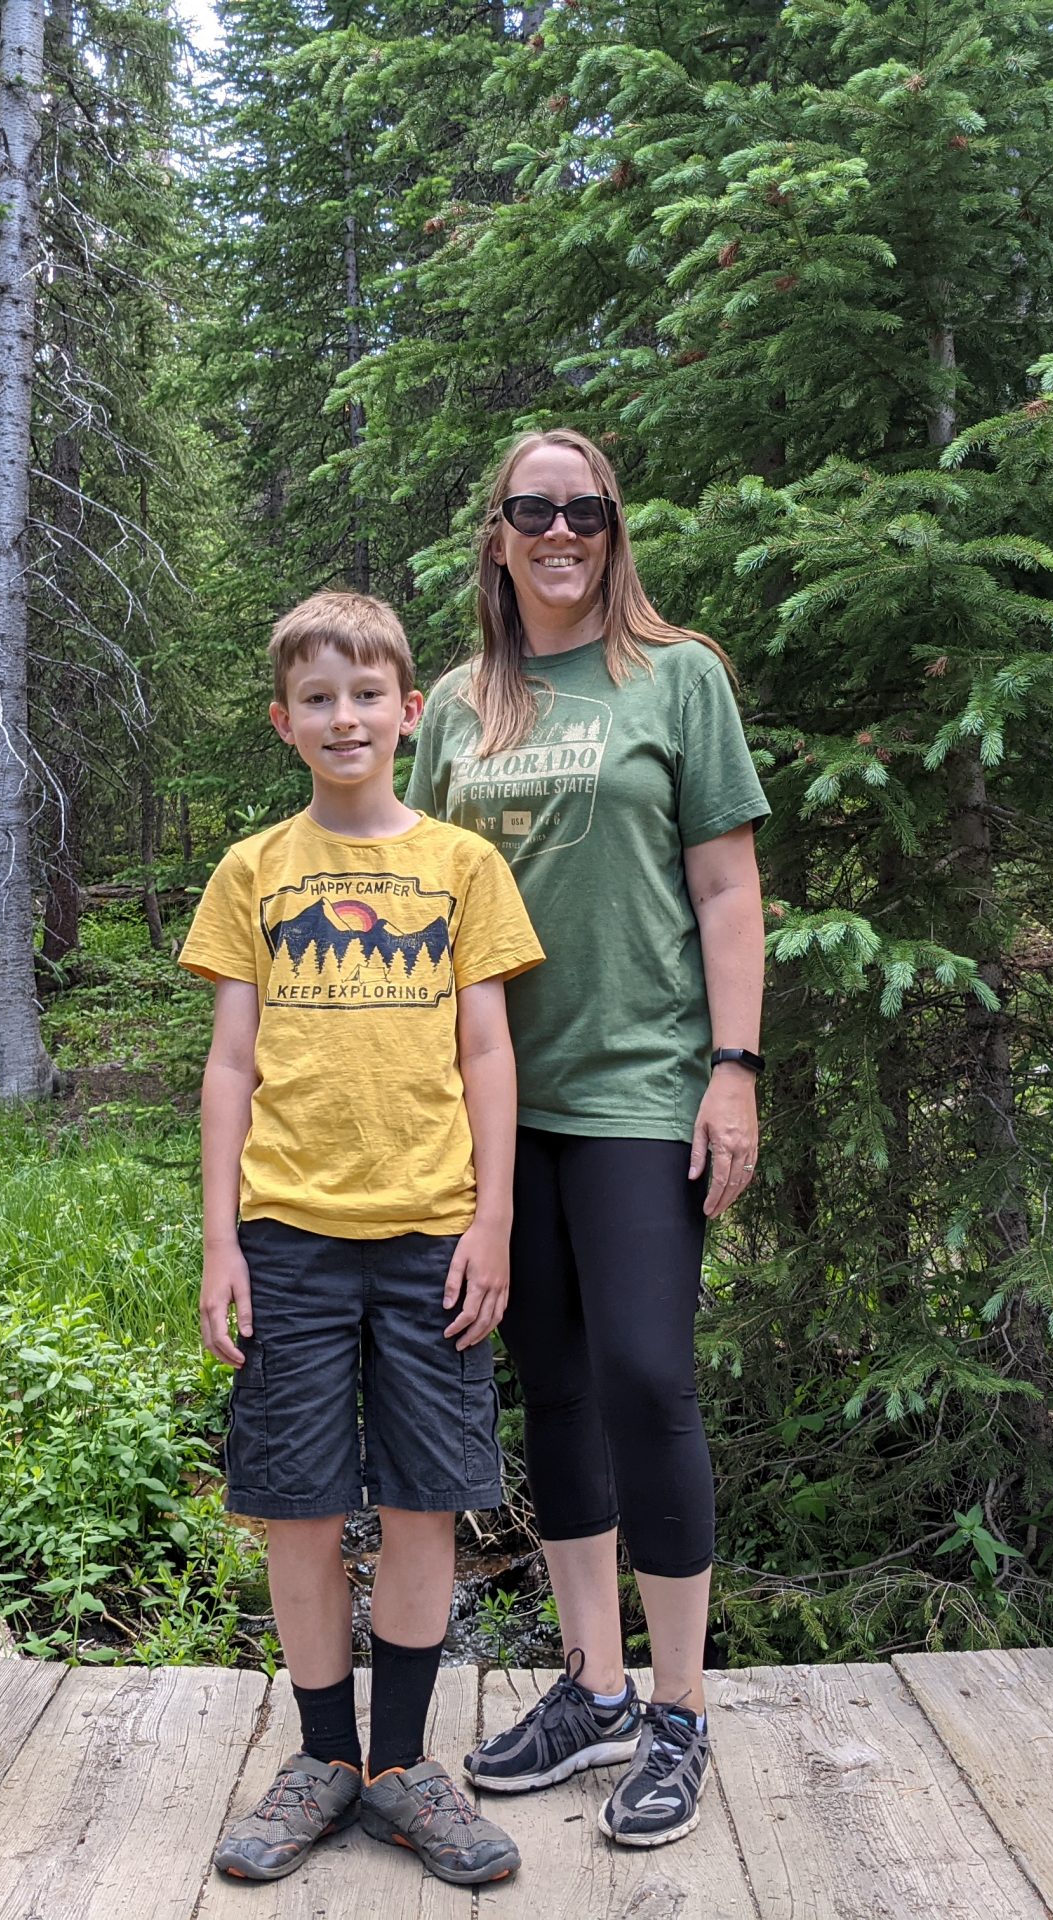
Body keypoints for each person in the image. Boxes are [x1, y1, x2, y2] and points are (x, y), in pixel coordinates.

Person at [408, 429, 768, 1849]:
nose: (561, 532)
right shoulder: (455, 707)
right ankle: (595, 1689)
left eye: (587, 510)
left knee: (647, 1380)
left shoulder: (678, 677)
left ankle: (679, 1711)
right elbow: (420, 905)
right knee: (551, 1392)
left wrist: (733, 1070)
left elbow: (727, 890)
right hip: (497, 1105)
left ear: (615, 529)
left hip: (640, 1086)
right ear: (497, 535)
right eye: (533, 510)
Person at [185, 590, 543, 1888]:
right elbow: (231, 1064)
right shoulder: (254, 871)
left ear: (409, 712)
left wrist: (493, 1219)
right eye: (319, 699)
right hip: (288, 1234)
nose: (346, 717)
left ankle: (401, 1768)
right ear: (285, 722)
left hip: (432, 1234)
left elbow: (488, 1051)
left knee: (424, 1501)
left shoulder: (462, 868)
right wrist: (220, 1242)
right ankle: (322, 1757)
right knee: (298, 1503)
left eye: (367, 695)